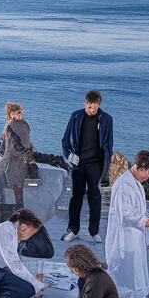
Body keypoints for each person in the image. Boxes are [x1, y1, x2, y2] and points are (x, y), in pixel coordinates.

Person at [105, 150, 149, 298]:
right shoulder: (125, 185)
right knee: (125, 276)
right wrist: (143, 220)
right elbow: (125, 214)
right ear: (140, 168)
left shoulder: (134, 182)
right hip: (125, 238)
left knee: (132, 275)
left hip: (133, 237)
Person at [61, 90, 113, 244]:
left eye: (94, 107)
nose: (90, 110)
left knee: (95, 198)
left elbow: (108, 145)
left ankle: (94, 231)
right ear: (84, 103)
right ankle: (72, 229)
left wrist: (106, 169)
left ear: (99, 104)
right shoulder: (76, 116)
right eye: (88, 106)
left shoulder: (107, 119)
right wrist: (69, 156)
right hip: (79, 164)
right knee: (76, 197)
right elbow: (65, 139)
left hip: (96, 164)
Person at [0, 103, 34, 209]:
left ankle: (15, 206)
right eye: (13, 113)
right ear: (9, 114)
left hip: (14, 158)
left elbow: (11, 143)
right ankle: (18, 206)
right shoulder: (23, 124)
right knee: (16, 185)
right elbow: (27, 142)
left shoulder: (13, 125)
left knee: (14, 184)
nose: (16, 115)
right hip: (21, 158)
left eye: (18, 113)